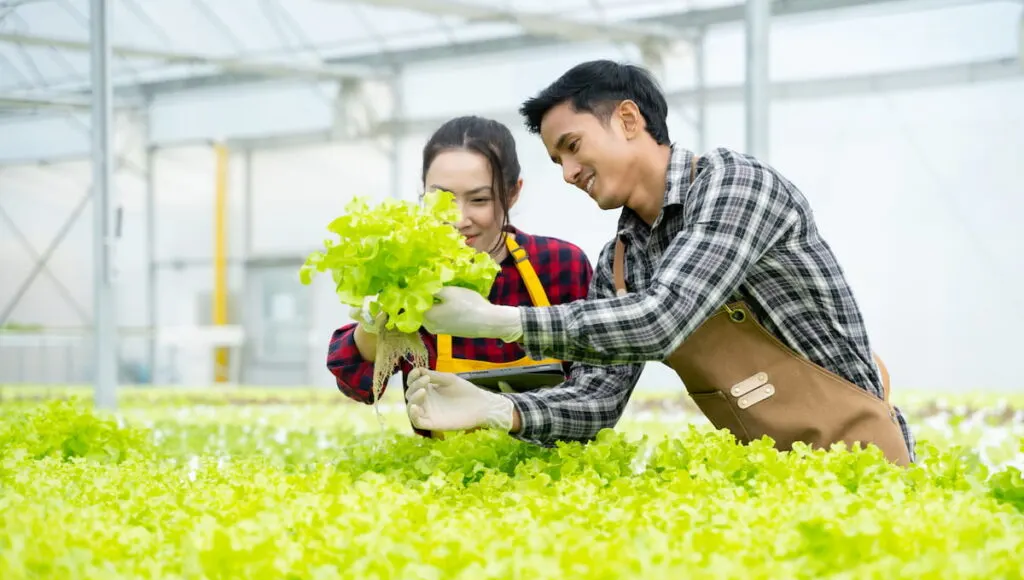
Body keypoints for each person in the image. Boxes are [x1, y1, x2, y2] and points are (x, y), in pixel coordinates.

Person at [404, 60, 916, 466]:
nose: (568, 173)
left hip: (864, 462)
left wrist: (499, 321)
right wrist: (499, 409)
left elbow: (663, 318)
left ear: (628, 120)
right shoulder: (620, 264)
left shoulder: (735, 186)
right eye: (558, 161)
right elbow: (597, 400)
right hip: (772, 479)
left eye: (573, 147)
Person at [326, 115, 638, 440]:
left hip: (550, 472)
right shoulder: (414, 276)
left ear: (513, 194)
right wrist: (379, 319)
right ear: (422, 192)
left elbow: (599, 386)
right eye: (441, 199)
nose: (460, 220)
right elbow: (356, 384)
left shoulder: (560, 265)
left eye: (479, 200)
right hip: (444, 478)